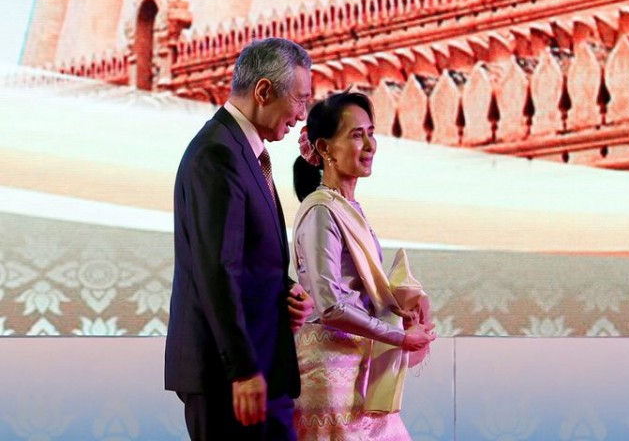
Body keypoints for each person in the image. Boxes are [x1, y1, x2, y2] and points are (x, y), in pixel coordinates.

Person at [165, 37, 316, 441]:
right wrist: (243, 370)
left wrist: (285, 292)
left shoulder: (244, 152)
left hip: (261, 364)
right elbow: (216, 268)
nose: (302, 116)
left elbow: (245, 259)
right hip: (230, 378)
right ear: (264, 90)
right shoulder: (217, 154)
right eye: (300, 100)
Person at [291, 90, 435, 440]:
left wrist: (400, 306)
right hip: (330, 372)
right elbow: (330, 306)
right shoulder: (321, 210)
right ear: (324, 148)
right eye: (357, 135)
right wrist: (400, 337)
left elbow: (355, 292)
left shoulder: (348, 207)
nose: (370, 145)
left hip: (360, 363)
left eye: (371, 133)